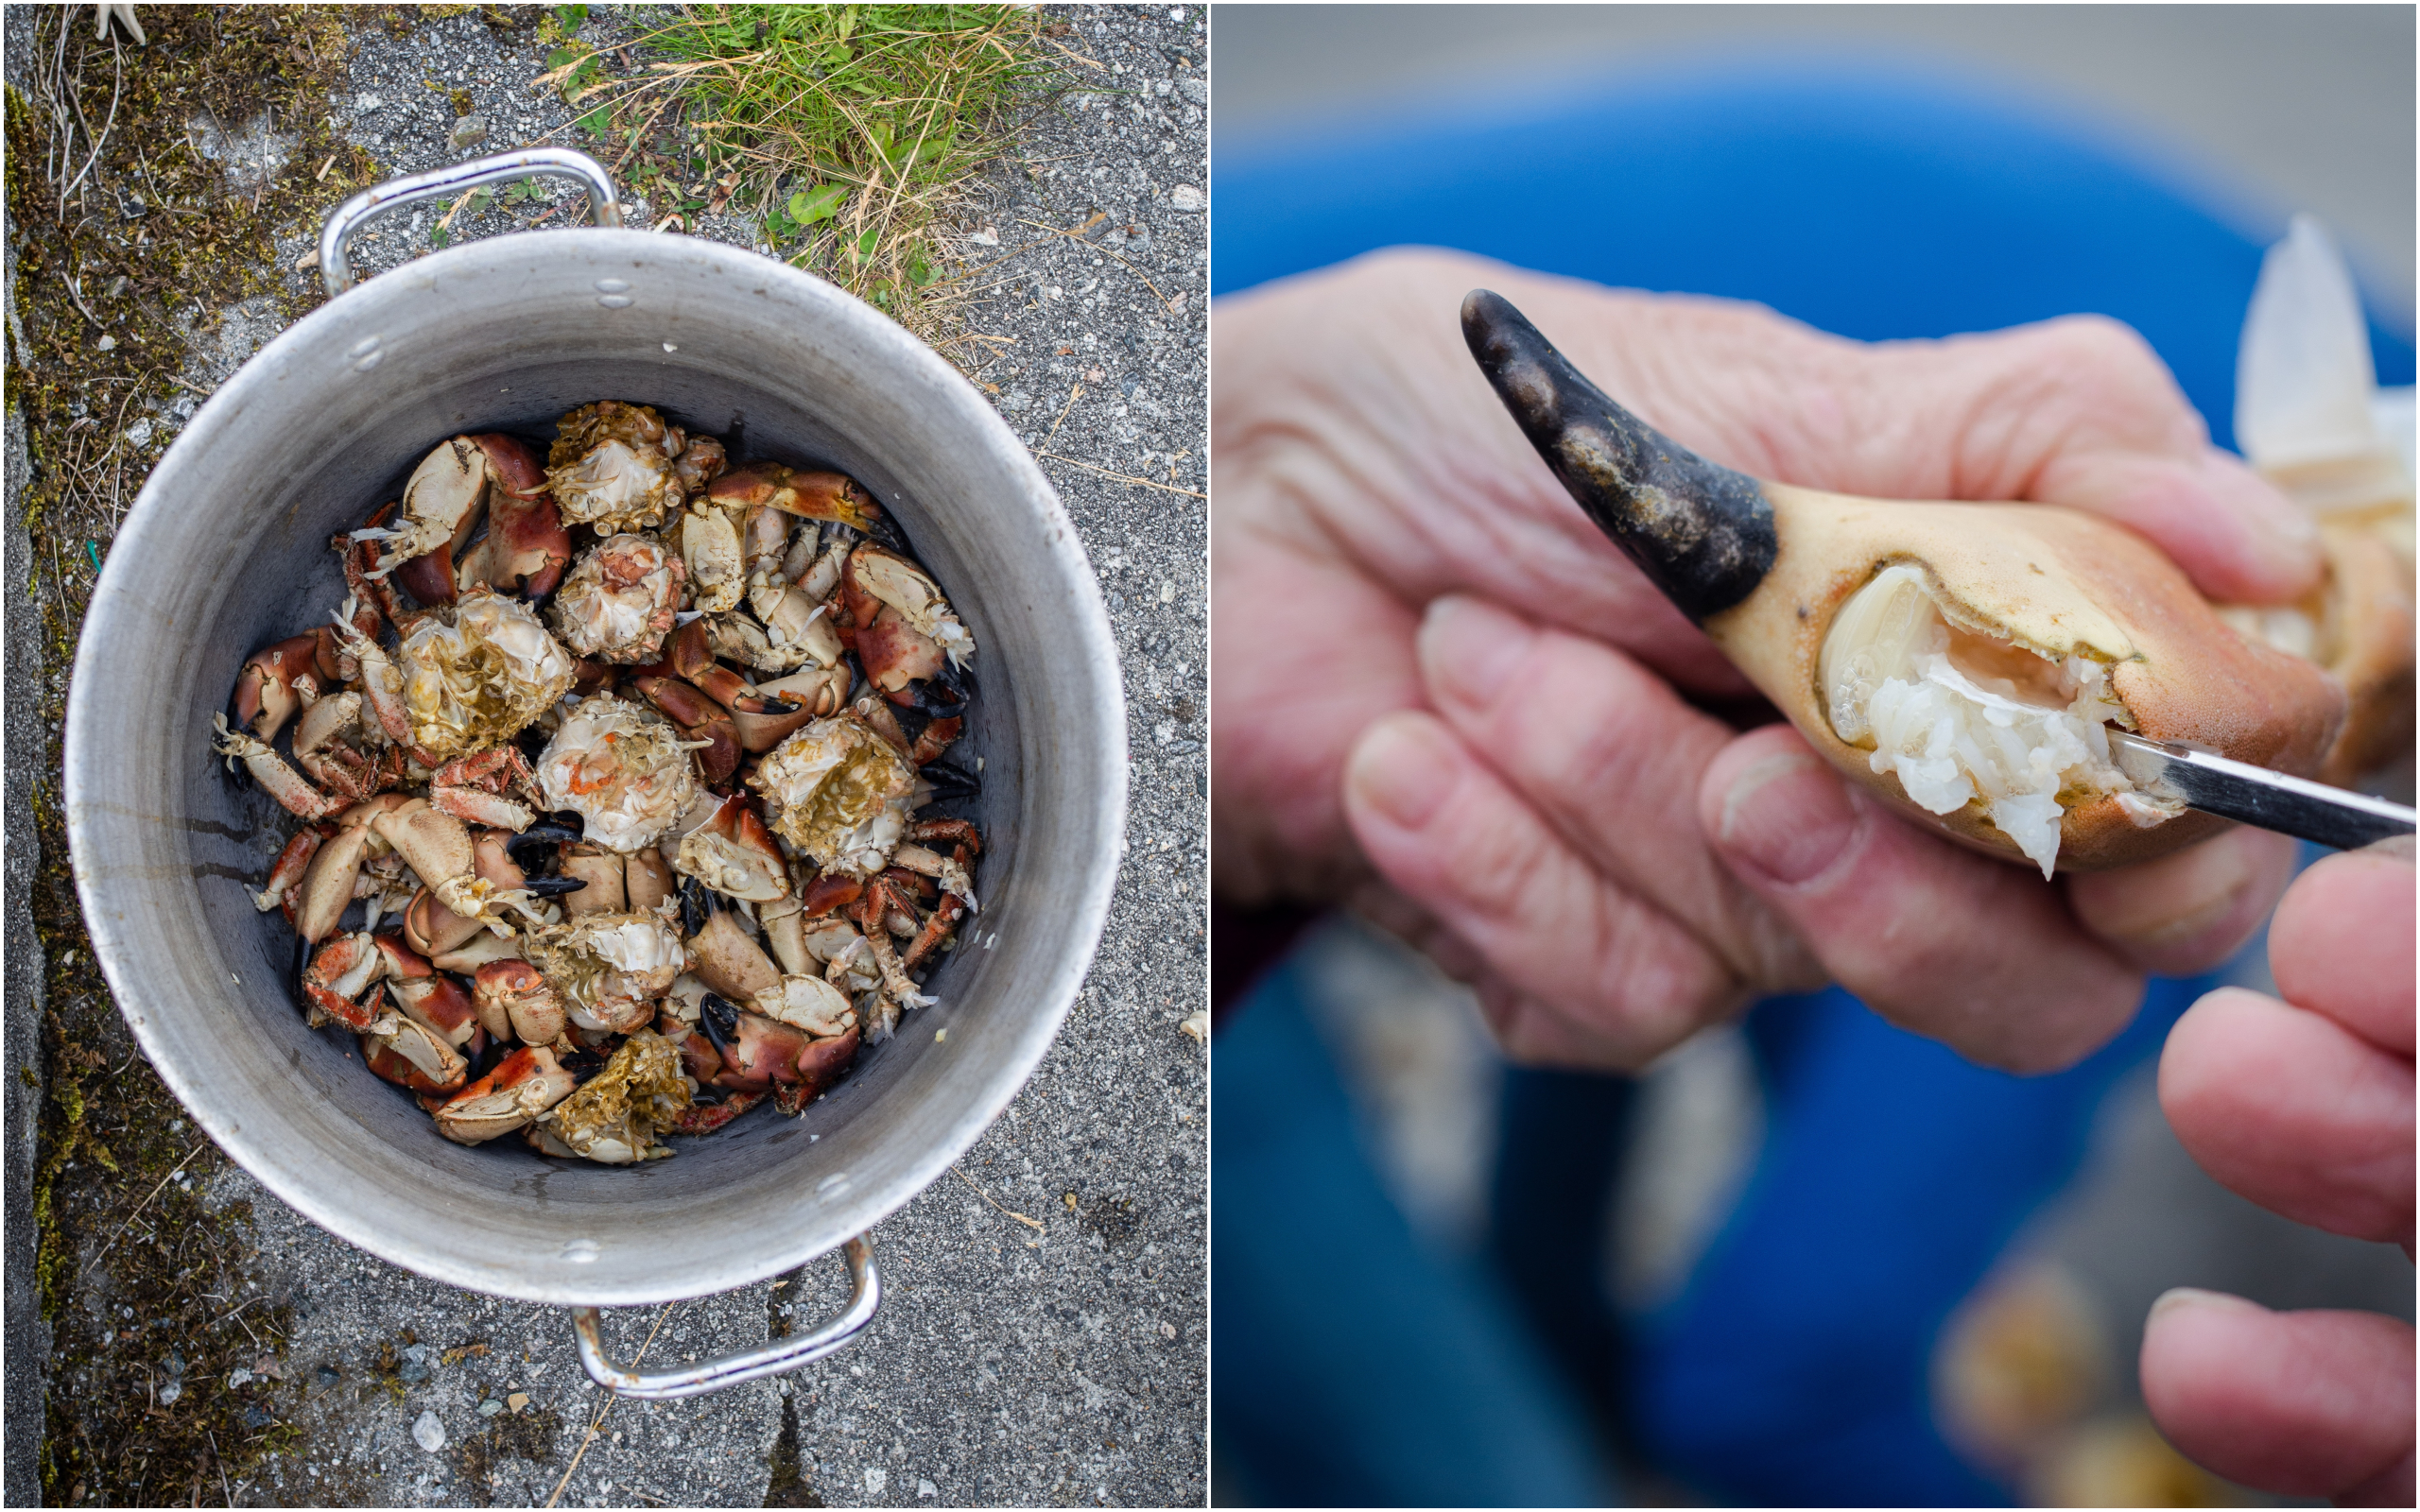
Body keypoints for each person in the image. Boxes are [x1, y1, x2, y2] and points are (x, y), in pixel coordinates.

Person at [1212, 249, 2411, 1503]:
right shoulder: (2189, 476)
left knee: (1650, 1017)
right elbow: (1781, 1387)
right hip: (1316, 490)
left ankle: (1566, 1345)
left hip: (1337, 520)